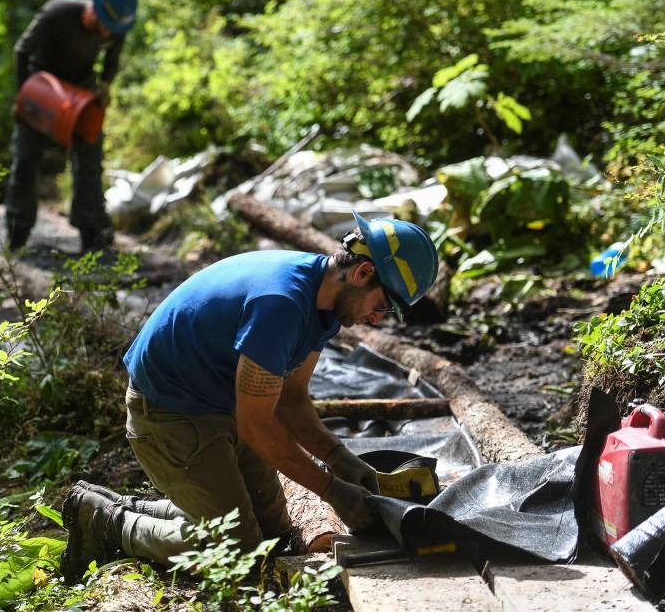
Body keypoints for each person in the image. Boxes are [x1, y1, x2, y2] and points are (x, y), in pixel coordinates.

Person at [59, 211, 439, 583]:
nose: (377, 318)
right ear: (363, 273)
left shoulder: (325, 305)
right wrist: (332, 490)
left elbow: (291, 402)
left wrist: (342, 462)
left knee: (274, 538)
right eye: (382, 306)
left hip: (220, 404)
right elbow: (256, 425)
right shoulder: (282, 304)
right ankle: (108, 521)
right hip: (168, 413)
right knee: (239, 556)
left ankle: (149, 507)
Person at [5, 0, 137, 253]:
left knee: (90, 158)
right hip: (43, 87)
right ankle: (17, 233)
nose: (107, 34)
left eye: (113, 30)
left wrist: (104, 86)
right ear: (93, 9)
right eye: (105, 27)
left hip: (81, 90)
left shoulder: (117, 26)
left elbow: (112, 60)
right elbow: (22, 51)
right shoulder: (58, 12)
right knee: (26, 160)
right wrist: (23, 95)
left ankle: (92, 233)